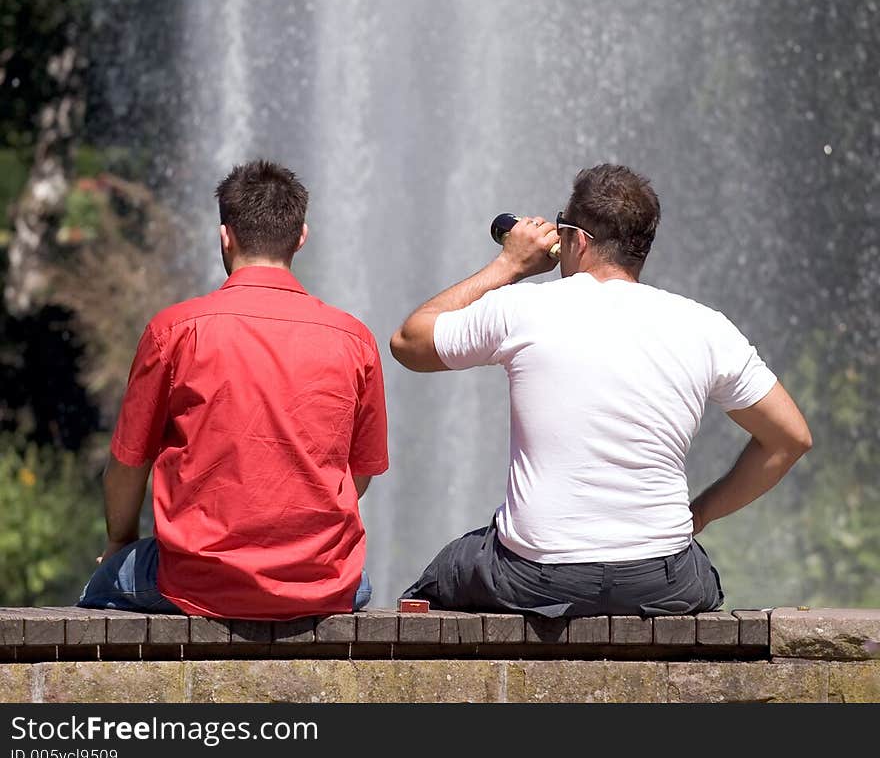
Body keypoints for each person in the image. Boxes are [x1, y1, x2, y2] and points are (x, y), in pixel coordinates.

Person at [390, 162, 811, 617]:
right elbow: (790, 439)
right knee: (701, 576)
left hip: (537, 574)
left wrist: (509, 264)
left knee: (438, 579)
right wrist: (700, 514)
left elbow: (409, 342)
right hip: (662, 575)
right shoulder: (705, 326)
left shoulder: (524, 307)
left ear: (579, 240)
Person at [78, 159, 388, 618]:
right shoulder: (355, 339)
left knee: (101, 588)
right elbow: (357, 476)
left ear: (225, 236)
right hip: (325, 583)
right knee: (361, 584)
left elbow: (128, 464)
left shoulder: (175, 330)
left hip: (195, 583)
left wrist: (120, 543)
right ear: (301, 237)